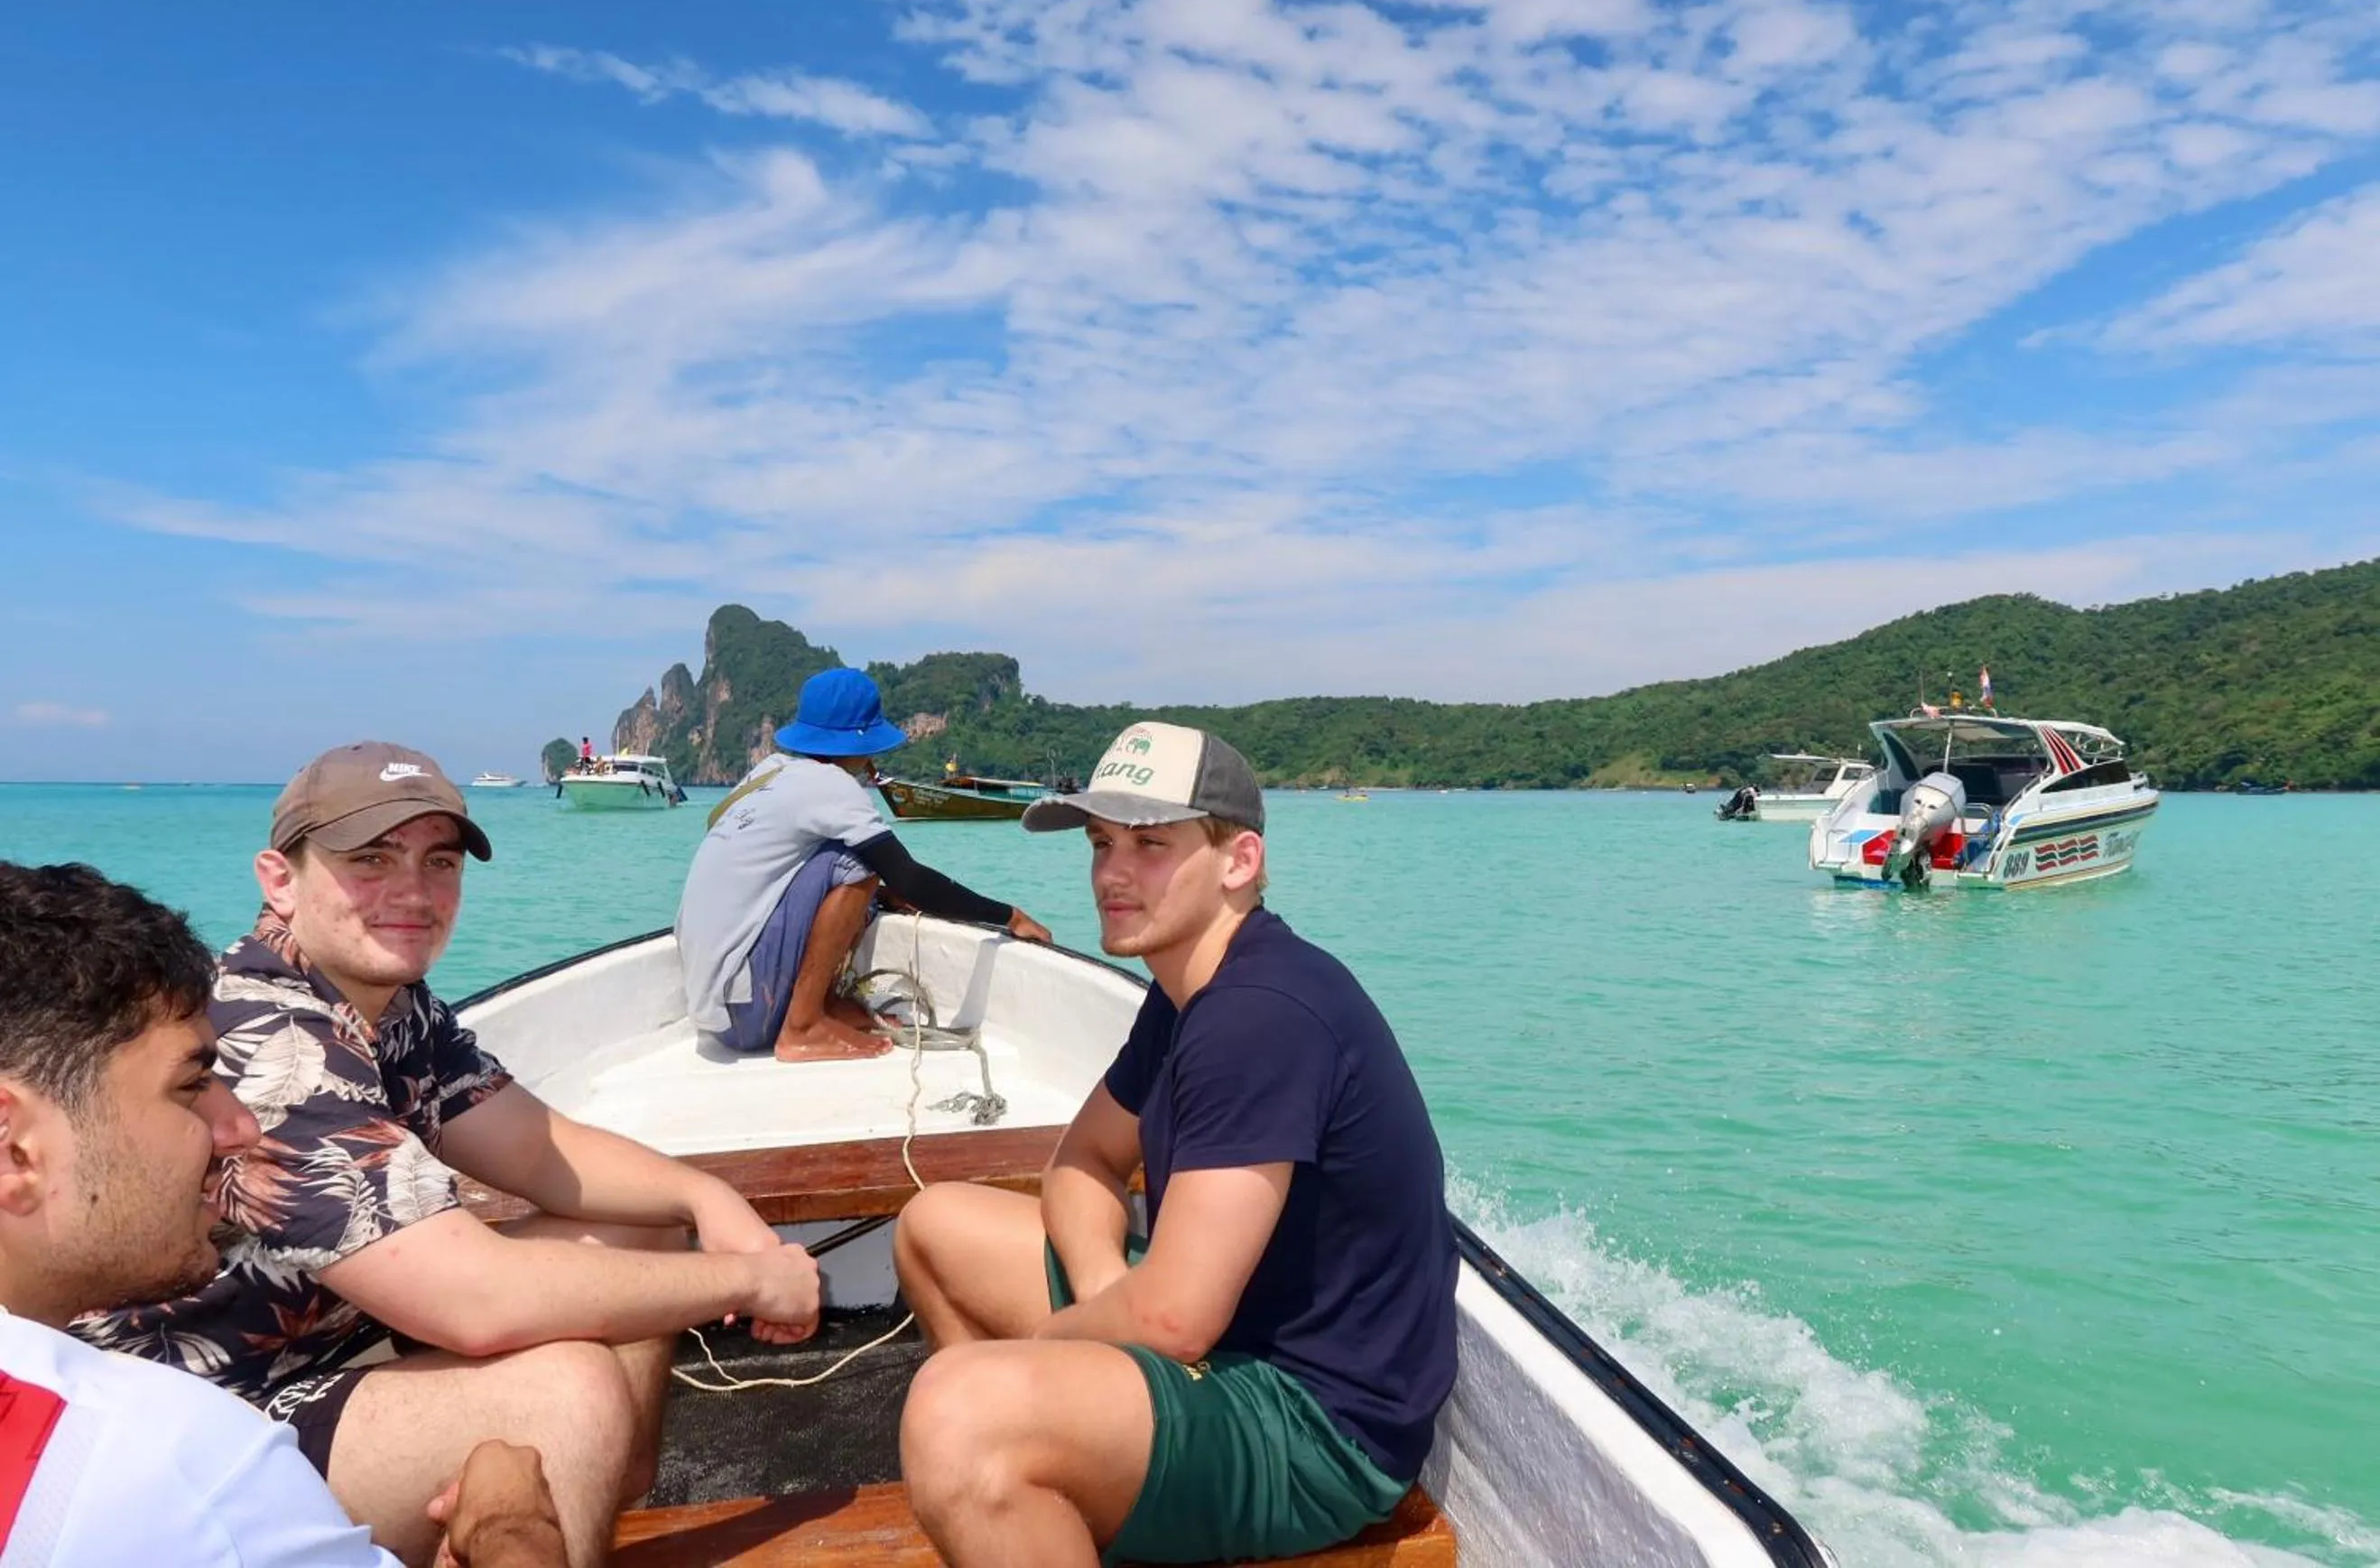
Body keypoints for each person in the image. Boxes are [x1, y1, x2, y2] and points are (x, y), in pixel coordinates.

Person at [76, 743, 822, 1567]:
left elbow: (537, 1147)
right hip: (195, 1427)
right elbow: (475, 1302)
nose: (413, 892)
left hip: (326, 1344)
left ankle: (598, 1488)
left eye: (439, 862)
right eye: (370, 860)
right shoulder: (272, 1043)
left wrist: (706, 1199)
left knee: (637, 1228)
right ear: (280, 881)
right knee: (564, 1392)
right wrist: (751, 1280)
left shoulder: (389, 1005)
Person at [891, 723, 1459, 1567]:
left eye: (1150, 845)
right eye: (1101, 843)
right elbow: (1082, 1162)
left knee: (956, 1412)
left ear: (1239, 861)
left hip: (1315, 1425)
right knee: (934, 1227)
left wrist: (1046, 1351)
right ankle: (1027, 1510)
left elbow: (1174, 1320)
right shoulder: (1186, 989)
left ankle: (1009, 1467)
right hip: (1221, 1342)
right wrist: (1101, 1289)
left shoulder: (1257, 1015)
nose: (1111, 874)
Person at [0, 859, 565, 1566]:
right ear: (13, 1146)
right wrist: (511, 1529)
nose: (240, 1128)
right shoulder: (169, 1464)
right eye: (191, 1084)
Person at [677, 667, 1052, 1064]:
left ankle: (822, 1005)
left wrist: (879, 896)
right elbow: (909, 878)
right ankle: (803, 1026)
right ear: (860, 740)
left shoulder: (767, 771)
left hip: (714, 1006)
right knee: (857, 861)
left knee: (855, 866)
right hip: (748, 1009)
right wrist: (1009, 916)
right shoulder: (832, 786)